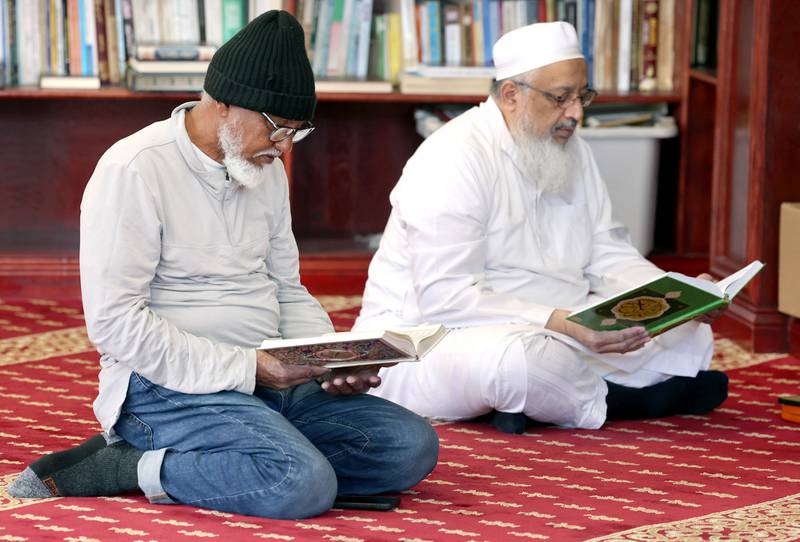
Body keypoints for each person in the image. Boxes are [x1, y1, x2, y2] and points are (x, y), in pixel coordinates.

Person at [8, 11, 438, 518]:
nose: (283, 149)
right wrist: (245, 369)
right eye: (278, 129)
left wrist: (328, 360)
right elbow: (116, 325)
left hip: (270, 374)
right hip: (166, 386)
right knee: (299, 482)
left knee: (410, 446)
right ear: (222, 103)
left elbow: (286, 287)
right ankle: (129, 466)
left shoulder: (262, 169)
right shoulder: (134, 169)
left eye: (297, 134)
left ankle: (244, 454)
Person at [353, 21, 728, 434]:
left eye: (582, 96)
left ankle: (539, 402)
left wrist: (676, 293)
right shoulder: (452, 158)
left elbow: (608, 251)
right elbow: (448, 297)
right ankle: (627, 400)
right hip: (434, 339)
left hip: (562, 324)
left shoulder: (572, 150)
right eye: (561, 98)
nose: (576, 113)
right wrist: (562, 323)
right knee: (520, 363)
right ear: (512, 94)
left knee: (686, 335)